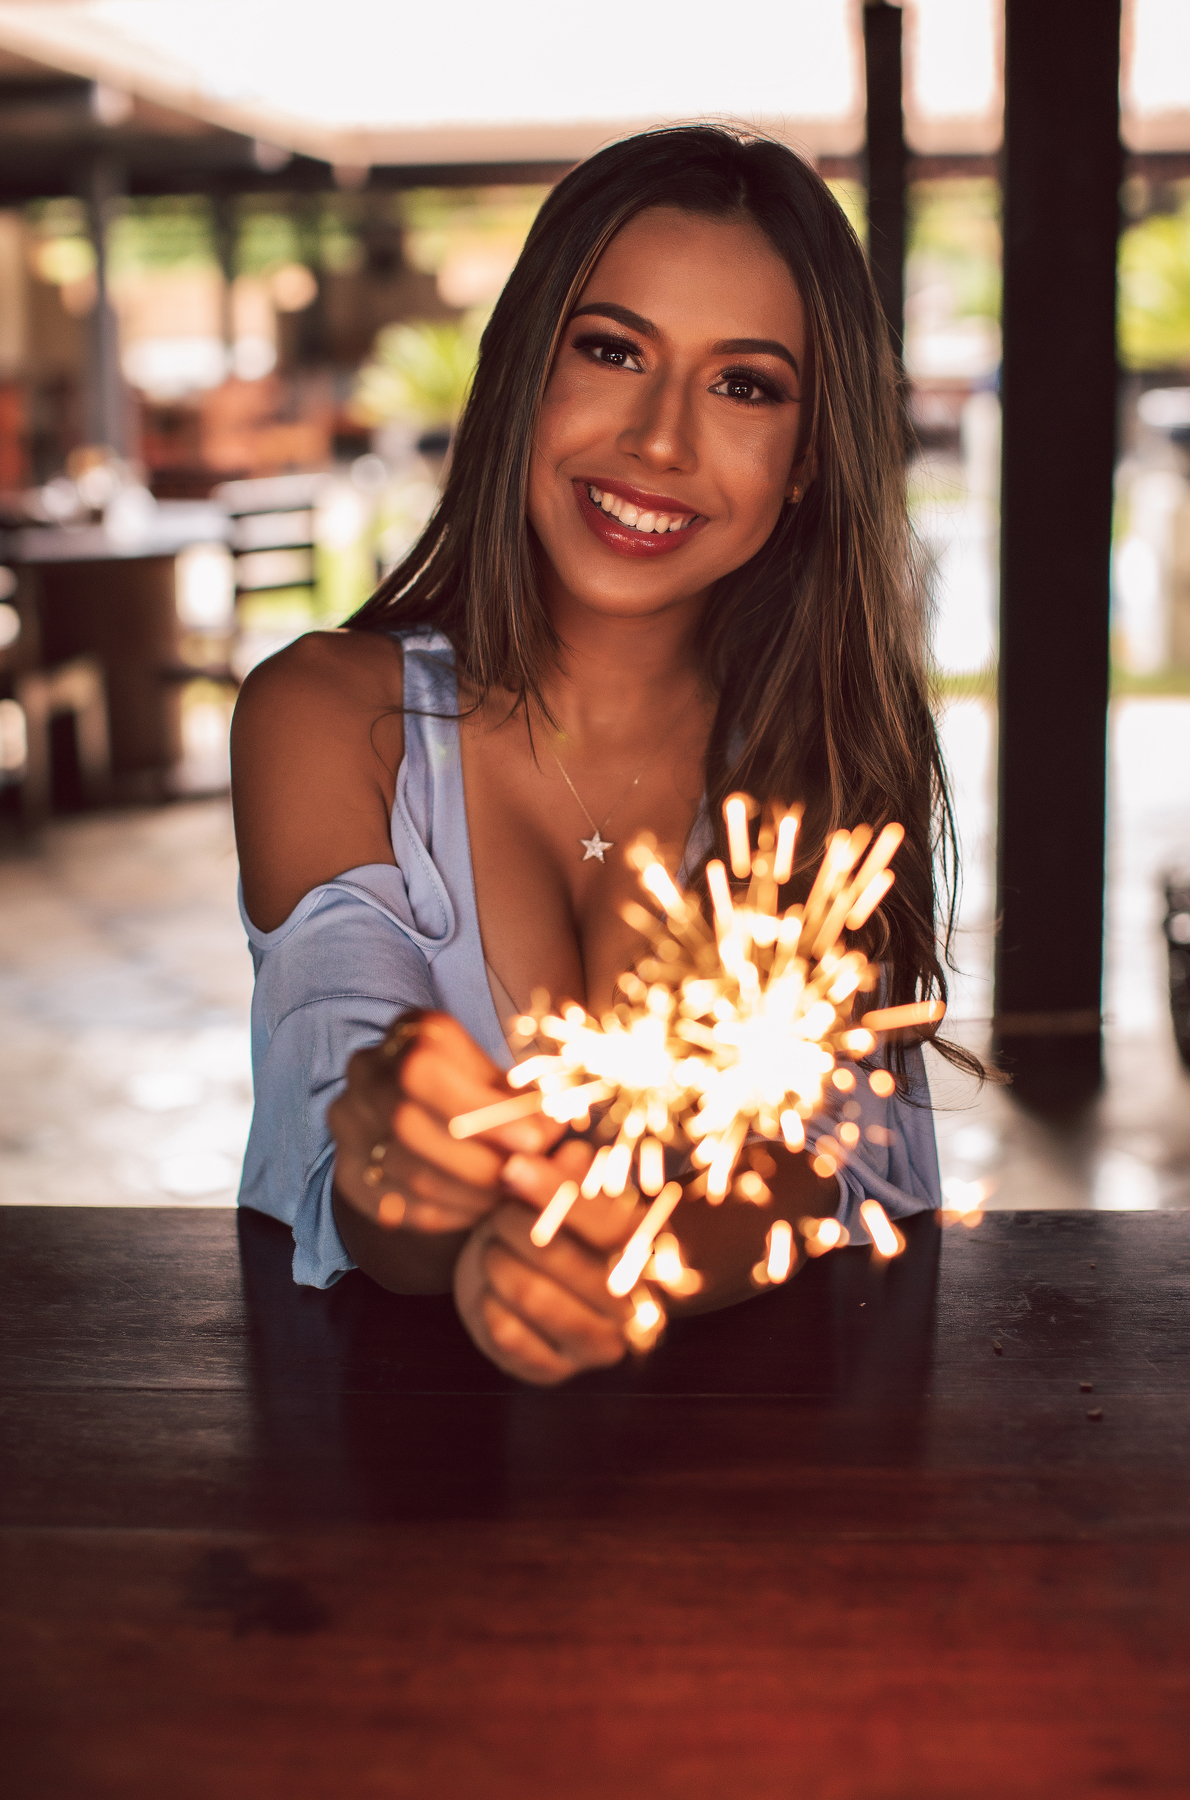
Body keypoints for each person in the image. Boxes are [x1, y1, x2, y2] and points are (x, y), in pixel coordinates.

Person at [231, 125, 974, 1387]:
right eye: (613, 350)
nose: (660, 441)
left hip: (770, 1488)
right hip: (379, 1493)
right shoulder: (323, 718)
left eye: (745, 385)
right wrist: (405, 1166)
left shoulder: (825, 750)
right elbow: (342, 1139)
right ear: (527, 368)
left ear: (806, 463)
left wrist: (629, 1250)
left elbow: (820, 1158)